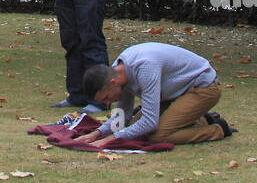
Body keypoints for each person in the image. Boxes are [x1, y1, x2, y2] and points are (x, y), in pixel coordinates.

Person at [80, 42, 235, 146]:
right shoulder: (117, 72)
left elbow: (149, 122)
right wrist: (96, 134)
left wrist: (110, 139)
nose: (108, 103)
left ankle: (217, 129)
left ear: (112, 83)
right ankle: (197, 119)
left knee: (157, 136)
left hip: (203, 88)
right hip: (176, 92)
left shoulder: (145, 67)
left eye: (106, 98)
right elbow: (122, 116)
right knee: (133, 127)